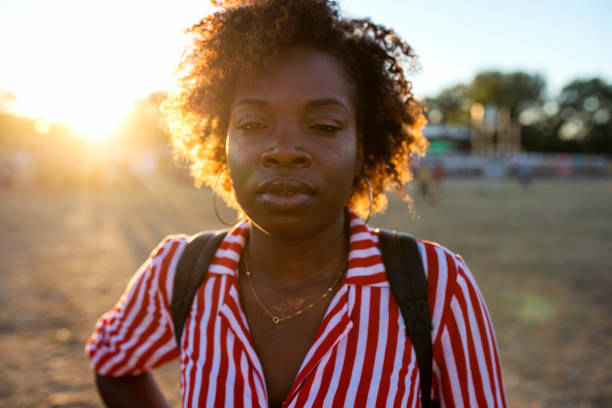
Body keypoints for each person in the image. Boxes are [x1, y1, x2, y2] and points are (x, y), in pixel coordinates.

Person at [86, 0, 507, 407]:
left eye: (324, 125)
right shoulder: (177, 272)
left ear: (363, 147)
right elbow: (113, 362)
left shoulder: (436, 286)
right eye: (252, 123)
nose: (284, 150)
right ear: (222, 142)